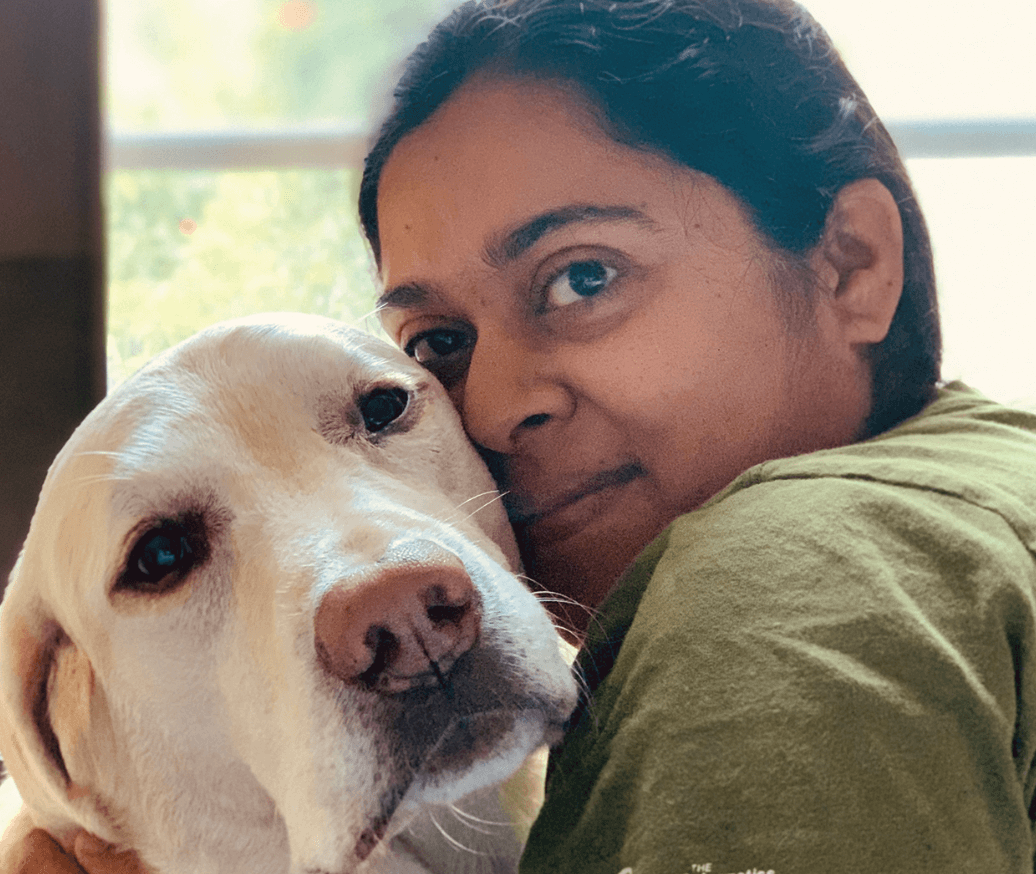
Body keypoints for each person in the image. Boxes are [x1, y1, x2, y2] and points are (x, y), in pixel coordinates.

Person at [15, 0, 1036, 871]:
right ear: (52, 740)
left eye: (582, 277)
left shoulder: (777, 588)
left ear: (852, 262)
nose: (492, 406)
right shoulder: (982, 478)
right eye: (440, 342)